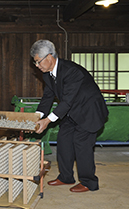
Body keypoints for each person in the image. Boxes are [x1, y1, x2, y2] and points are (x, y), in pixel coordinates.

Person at [30, 39, 108, 192]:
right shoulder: (47, 74)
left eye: (38, 62)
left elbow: (67, 101)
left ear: (50, 57)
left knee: (82, 145)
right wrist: (37, 116)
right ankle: (66, 177)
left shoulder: (72, 72)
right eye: (35, 63)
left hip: (89, 112)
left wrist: (47, 120)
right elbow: (48, 97)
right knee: (64, 140)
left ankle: (89, 182)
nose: (37, 66)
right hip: (72, 112)